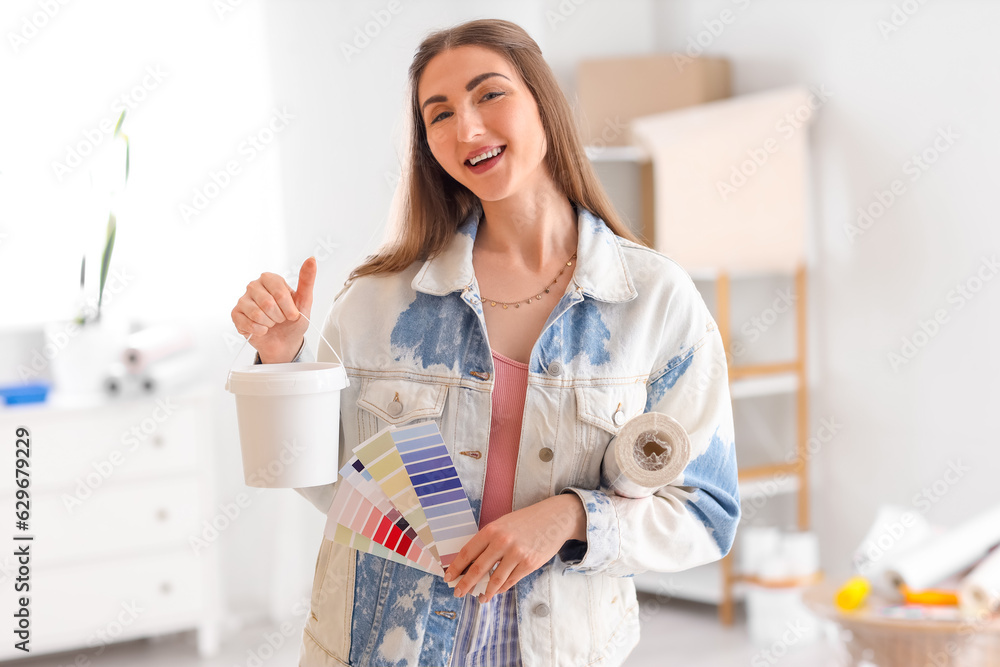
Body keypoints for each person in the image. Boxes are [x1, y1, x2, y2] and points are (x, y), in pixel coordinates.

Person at [230, 18, 740, 667]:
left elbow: (707, 512)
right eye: (438, 114)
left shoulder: (655, 300)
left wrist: (570, 517)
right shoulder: (377, 301)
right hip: (385, 646)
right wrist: (281, 362)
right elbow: (323, 478)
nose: (465, 127)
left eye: (489, 94)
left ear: (543, 104)